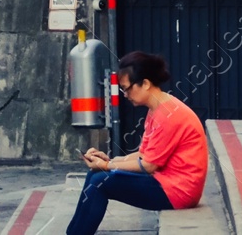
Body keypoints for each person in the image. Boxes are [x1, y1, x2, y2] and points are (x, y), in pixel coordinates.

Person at [66, 51, 208, 235]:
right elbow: (143, 154)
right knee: (95, 175)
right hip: (166, 182)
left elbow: (148, 165)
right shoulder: (157, 109)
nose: (125, 94)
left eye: (127, 88)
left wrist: (108, 166)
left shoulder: (168, 115)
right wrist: (109, 161)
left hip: (178, 191)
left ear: (146, 83)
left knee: (100, 182)